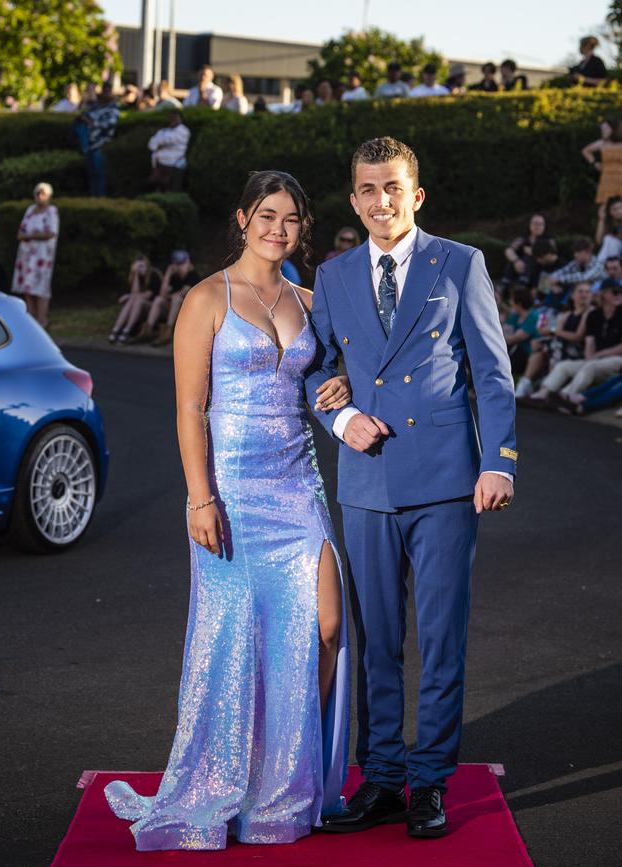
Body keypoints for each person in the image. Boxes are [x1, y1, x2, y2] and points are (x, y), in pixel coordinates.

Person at [104, 170, 352, 850]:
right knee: (235, 645)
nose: (279, 228)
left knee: (326, 625)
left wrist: (342, 383)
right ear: (243, 218)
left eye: (292, 219)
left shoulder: (309, 299)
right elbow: (189, 406)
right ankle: (226, 783)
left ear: (303, 228)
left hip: (300, 488)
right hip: (232, 494)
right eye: (267, 215)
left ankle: (289, 780)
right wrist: (200, 497)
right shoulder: (206, 298)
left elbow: (329, 377)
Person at [304, 136, 515, 839]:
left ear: (415, 194)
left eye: (392, 187)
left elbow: (492, 372)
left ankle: (430, 781)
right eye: (367, 189)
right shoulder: (331, 276)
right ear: (353, 199)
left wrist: (500, 460)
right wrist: (337, 415)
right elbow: (314, 367)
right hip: (366, 481)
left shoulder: (460, 263)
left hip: (447, 481)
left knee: (441, 637)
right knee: (376, 641)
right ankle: (384, 778)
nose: (380, 201)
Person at [530, 279, 622, 401]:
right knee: (564, 366)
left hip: (616, 360)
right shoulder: (594, 315)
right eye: (615, 292)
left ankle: (564, 396)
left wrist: (598, 355)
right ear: (603, 294)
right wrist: (589, 357)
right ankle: (544, 392)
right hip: (595, 360)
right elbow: (590, 341)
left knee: (591, 366)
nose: (619, 295)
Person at [515, 282, 593, 398]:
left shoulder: (590, 312)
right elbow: (557, 333)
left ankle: (543, 389)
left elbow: (577, 336)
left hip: (578, 350)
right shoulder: (566, 314)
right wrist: (546, 338)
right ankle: (524, 385)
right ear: (572, 295)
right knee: (538, 352)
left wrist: (552, 331)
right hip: (561, 347)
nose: (584, 295)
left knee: (552, 349)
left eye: (587, 292)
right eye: (580, 291)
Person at [10, 183, 59, 327]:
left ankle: (42, 319)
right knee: (28, 288)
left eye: (43, 193)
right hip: (26, 255)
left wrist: (32, 236)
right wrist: (34, 235)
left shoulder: (51, 211)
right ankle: (30, 320)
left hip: (42, 256)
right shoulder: (30, 210)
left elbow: (50, 232)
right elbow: (20, 233)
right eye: (37, 193)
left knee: (41, 287)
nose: (39, 196)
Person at [133, 250, 201, 345]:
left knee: (177, 299)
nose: (180, 267)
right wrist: (168, 274)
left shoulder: (193, 276)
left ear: (188, 263)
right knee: (158, 299)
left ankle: (168, 331)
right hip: (171, 308)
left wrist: (170, 295)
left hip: (186, 312)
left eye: (182, 264)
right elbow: (162, 294)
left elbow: (182, 293)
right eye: (177, 264)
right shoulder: (174, 276)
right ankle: (147, 330)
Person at [107, 255, 163, 343]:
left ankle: (127, 330)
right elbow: (134, 292)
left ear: (147, 265)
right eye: (137, 267)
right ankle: (116, 329)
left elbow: (148, 295)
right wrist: (136, 275)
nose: (140, 269)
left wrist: (129, 296)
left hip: (153, 306)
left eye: (141, 266)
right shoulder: (135, 277)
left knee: (137, 300)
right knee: (132, 301)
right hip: (138, 304)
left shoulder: (153, 275)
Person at [83, 82, 120, 196]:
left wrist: (94, 123)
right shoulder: (95, 106)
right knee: (91, 174)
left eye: (108, 91)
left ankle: (100, 197)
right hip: (90, 143)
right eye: (104, 90)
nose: (106, 93)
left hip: (102, 144)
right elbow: (84, 115)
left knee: (99, 173)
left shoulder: (113, 107)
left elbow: (110, 124)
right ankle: (93, 197)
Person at [501, 213, 550, 292]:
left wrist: (533, 252)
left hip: (540, 271)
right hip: (520, 270)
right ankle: (504, 288)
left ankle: (523, 286)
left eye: (540, 224)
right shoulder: (523, 239)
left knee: (528, 258)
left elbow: (550, 256)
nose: (537, 226)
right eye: (535, 223)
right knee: (512, 263)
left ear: (544, 226)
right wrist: (516, 261)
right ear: (529, 224)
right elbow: (509, 250)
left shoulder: (548, 240)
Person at [147, 109, 190, 192]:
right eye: (171, 117)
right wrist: (160, 143)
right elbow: (151, 145)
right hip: (159, 164)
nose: (173, 119)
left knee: (170, 189)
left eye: (175, 117)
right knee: (153, 184)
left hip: (174, 165)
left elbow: (168, 140)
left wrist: (159, 143)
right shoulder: (163, 131)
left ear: (180, 119)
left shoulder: (184, 131)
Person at [582, 118, 622, 205]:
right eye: (602, 129)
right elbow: (586, 151)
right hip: (607, 178)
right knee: (605, 206)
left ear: (614, 129)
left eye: (606, 129)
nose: (603, 131)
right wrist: (595, 163)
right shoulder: (602, 143)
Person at [503, 286, 540, 375]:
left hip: (526, 353)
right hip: (514, 349)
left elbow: (516, 338)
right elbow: (505, 331)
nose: (510, 303)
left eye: (512, 301)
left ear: (519, 304)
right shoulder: (515, 316)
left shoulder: (533, 316)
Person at [595, 196, 622, 262]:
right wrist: (601, 219)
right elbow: (599, 241)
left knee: (611, 240)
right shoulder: (609, 224)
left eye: (620, 208)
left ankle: (600, 265)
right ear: (609, 212)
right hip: (614, 254)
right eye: (614, 209)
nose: (618, 211)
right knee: (608, 239)